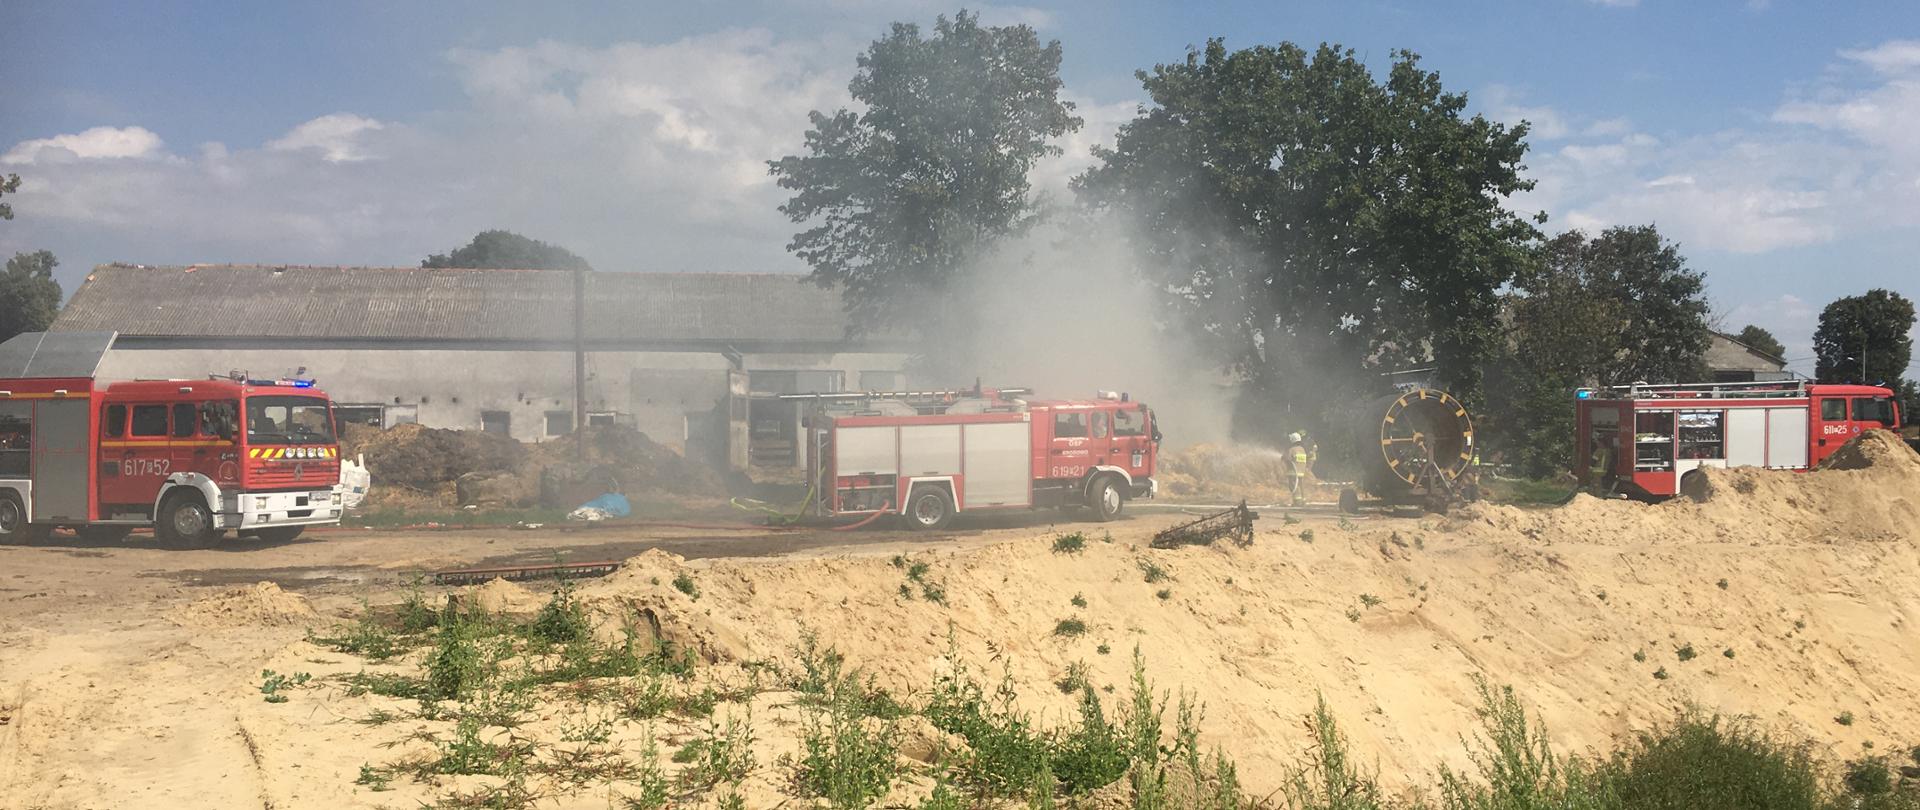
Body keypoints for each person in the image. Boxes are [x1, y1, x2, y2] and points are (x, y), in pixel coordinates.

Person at [1286, 431, 1315, 506]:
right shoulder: (1302, 449)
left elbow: (1288, 459)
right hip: (1301, 472)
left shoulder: (1292, 449)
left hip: (1293, 472)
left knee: (1294, 487)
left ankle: (1297, 502)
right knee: (1301, 486)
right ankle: (1303, 500)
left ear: (1292, 440)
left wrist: (1284, 458)